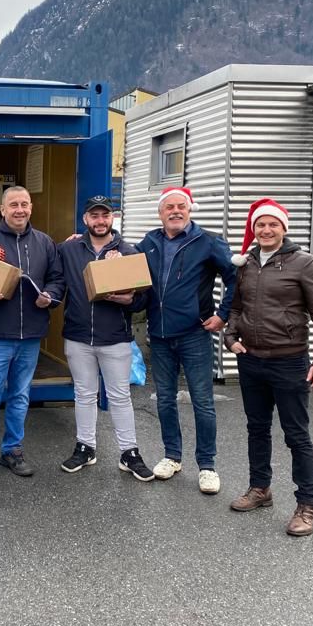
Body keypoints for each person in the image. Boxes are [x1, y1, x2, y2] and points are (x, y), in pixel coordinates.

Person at [224, 198, 313, 536]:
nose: (266, 230)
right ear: (253, 229)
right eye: (260, 224)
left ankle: (307, 506)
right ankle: (260, 488)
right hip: (251, 360)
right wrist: (230, 337)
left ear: (284, 228)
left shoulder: (304, 263)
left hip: (289, 361)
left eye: (273, 224)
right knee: (256, 428)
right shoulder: (246, 264)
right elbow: (237, 307)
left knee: (296, 435)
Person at [136, 186, 236, 494]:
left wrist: (223, 315)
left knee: (202, 402)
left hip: (195, 334)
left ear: (190, 210)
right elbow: (124, 261)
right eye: (169, 207)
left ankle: (207, 466)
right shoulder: (149, 243)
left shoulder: (208, 241)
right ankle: (172, 456)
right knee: (165, 399)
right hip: (159, 335)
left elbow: (235, 277)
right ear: (160, 212)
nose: (175, 211)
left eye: (181, 206)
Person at [0, 186, 64, 485]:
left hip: (31, 335)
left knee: (20, 396)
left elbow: (58, 279)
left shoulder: (45, 243)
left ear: (31, 207)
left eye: (24, 204)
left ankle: (12, 451)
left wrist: (50, 296)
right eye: (13, 205)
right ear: (3, 210)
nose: (20, 210)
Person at [56, 195, 154, 481]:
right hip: (78, 336)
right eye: (94, 215)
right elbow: (54, 277)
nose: (100, 221)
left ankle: (129, 452)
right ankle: (85, 447)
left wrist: (129, 300)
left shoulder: (129, 252)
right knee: (84, 394)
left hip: (115, 338)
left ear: (112, 218)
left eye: (105, 215)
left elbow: (143, 298)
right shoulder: (69, 249)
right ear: (85, 219)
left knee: (120, 396)